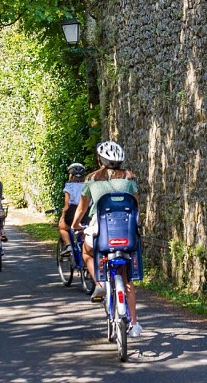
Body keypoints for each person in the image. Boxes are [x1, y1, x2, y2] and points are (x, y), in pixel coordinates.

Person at [71, 141, 142, 337]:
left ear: (100, 159)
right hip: (126, 232)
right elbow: (136, 206)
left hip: (101, 230)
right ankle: (134, 324)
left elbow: (82, 208)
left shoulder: (92, 179)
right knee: (127, 278)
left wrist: (75, 224)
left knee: (87, 252)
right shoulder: (129, 178)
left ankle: (100, 283)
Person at [58, 163, 89, 254]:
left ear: (70, 175)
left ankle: (68, 245)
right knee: (84, 229)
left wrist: (62, 217)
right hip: (87, 210)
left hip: (73, 211)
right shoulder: (88, 185)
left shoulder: (69, 186)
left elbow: (66, 205)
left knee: (63, 228)